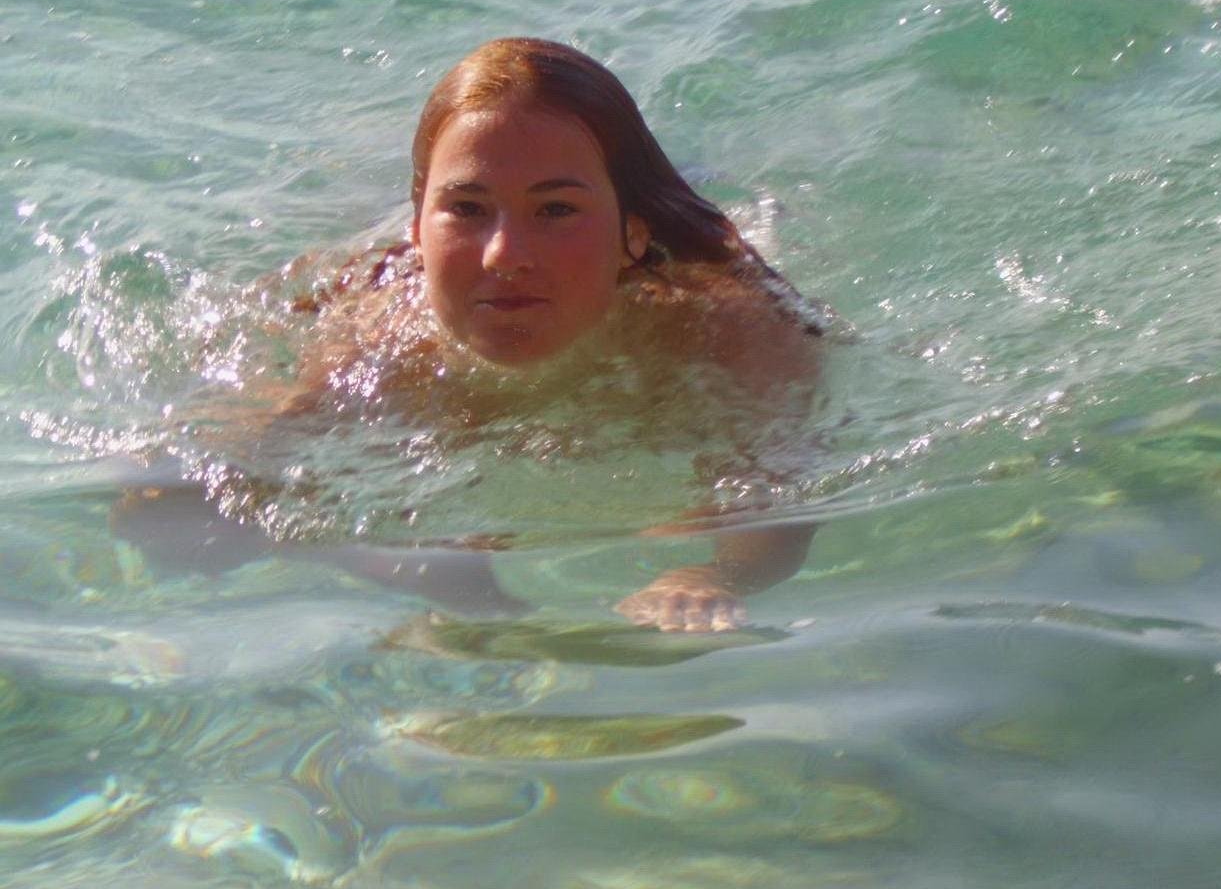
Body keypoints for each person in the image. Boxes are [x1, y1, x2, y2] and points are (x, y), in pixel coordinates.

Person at [252, 37, 824, 632]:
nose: (503, 256)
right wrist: (418, 570)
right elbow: (229, 488)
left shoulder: (724, 330)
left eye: (555, 211)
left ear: (633, 233)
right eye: (466, 209)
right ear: (418, 227)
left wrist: (715, 574)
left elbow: (779, 504)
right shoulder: (373, 344)